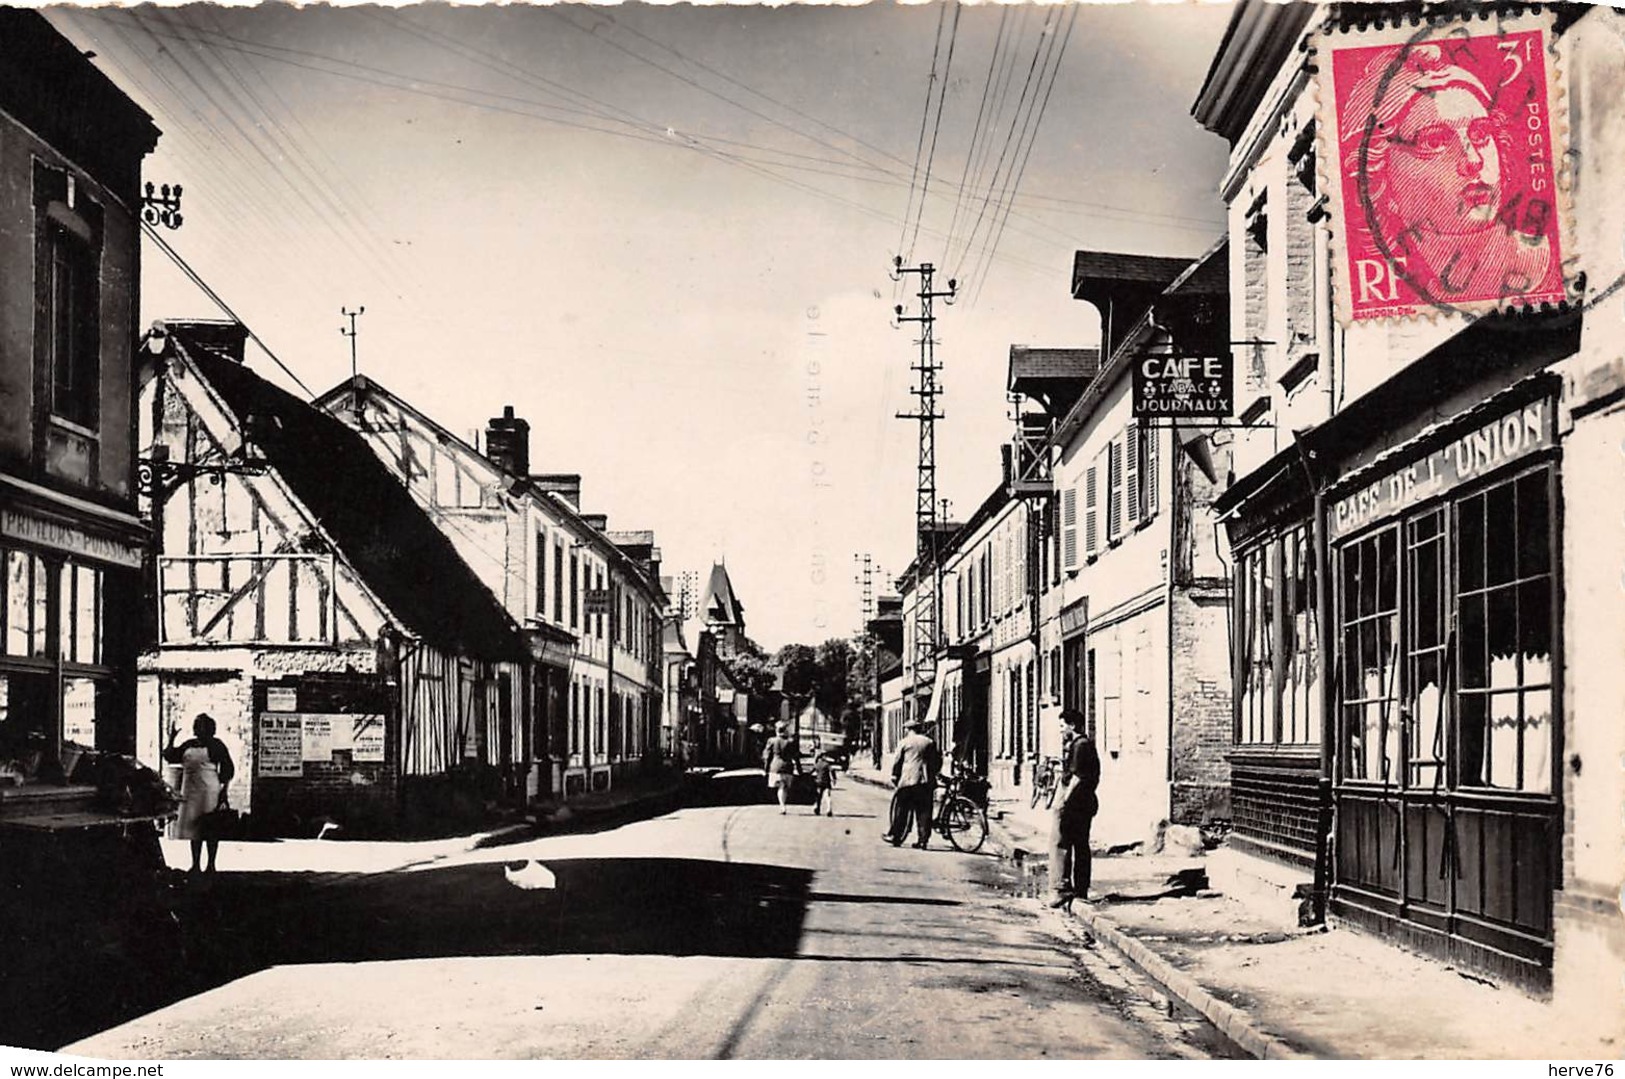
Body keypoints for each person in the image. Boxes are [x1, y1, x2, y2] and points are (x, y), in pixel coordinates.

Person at [1341, 42, 1555, 307]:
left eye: (1480, 134)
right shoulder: (1403, 285)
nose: (1472, 161)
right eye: (1435, 142)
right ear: (1380, 175)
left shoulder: (1534, 260)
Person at [164, 713, 236, 874]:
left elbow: (228, 769)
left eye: (201, 725)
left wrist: (224, 791)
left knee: (210, 826)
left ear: (210, 728)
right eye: (196, 724)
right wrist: (171, 738)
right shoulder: (189, 744)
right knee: (194, 828)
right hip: (190, 789)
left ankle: (211, 864)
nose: (197, 728)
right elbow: (169, 756)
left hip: (209, 790)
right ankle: (195, 864)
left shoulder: (217, 745)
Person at [1049, 708, 1100, 912]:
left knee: (1060, 843)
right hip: (1084, 802)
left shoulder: (1080, 746)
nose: (1061, 731)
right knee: (1080, 845)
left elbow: (1077, 777)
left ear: (1072, 726)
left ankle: (1062, 888)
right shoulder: (1083, 745)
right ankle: (1080, 889)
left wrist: (1064, 801)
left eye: (1063, 726)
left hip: (1076, 803)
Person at [883, 717, 941, 849]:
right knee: (924, 811)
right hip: (925, 781)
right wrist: (932, 774)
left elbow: (898, 761)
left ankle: (896, 836)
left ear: (909, 730)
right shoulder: (929, 742)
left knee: (902, 809)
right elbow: (937, 761)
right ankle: (923, 840)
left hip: (908, 780)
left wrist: (895, 775)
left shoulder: (904, 742)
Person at [761, 722, 801, 815]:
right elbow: (796, 756)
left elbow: (767, 756)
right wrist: (799, 769)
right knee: (784, 787)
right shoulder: (790, 742)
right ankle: (783, 805)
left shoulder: (771, 741)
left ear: (776, 730)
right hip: (788, 767)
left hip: (775, 767)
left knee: (781, 787)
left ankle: (782, 806)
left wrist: (765, 769)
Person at [811, 746, 838, 817]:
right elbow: (832, 770)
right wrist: (834, 779)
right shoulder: (827, 764)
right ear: (822, 756)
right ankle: (829, 809)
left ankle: (817, 808)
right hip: (826, 782)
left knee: (818, 796)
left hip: (818, 782)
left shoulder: (817, 764)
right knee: (827, 796)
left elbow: (811, 772)